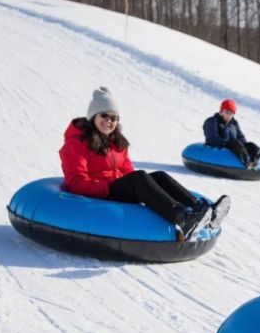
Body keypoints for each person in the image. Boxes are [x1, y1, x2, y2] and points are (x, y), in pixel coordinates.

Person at [59, 87, 230, 241]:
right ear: (93, 116)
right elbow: (75, 182)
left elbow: (128, 172)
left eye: (114, 117)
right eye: (104, 115)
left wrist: (142, 186)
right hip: (102, 191)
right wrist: (108, 187)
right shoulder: (77, 143)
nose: (109, 121)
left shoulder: (116, 142)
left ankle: (202, 210)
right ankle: (183, 219)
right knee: (139, 177)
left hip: (115, 188)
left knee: (159, 177)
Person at [203, 98, 260, 168]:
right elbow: (212, 138)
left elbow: (241, 137)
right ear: (221, 111)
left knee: (249, 144)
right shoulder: (212, 121)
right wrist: (226, 143)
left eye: (231, 114)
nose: (228, 115)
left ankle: (257, 156)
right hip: (219, 147)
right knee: (235, 143)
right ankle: (247, 162)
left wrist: (244, 145)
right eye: (226, 112)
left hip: (233, 147)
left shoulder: (233, 123)